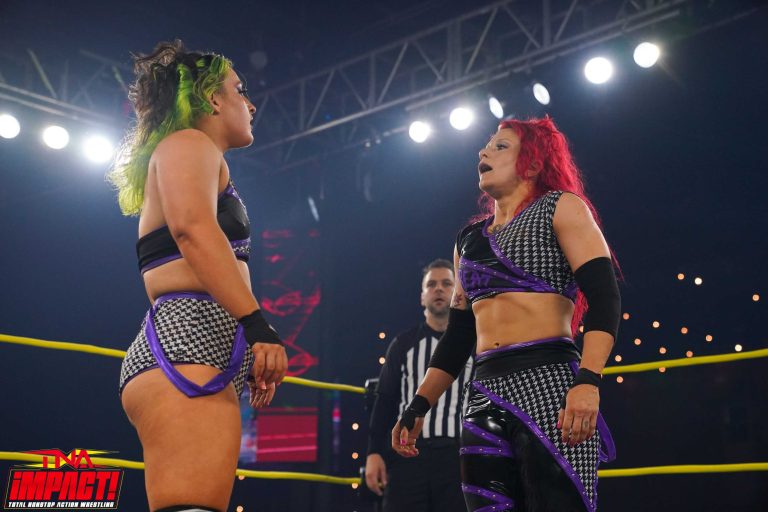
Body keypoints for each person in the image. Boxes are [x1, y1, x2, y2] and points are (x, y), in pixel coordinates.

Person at [391, 117, 620, 512]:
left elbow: (604, 298)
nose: (483, 151)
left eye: (500, 146)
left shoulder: (561, 207)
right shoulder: (468, 239)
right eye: (486, 145)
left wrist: (588, 381)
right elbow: (459, 335)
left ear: (533, 163)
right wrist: (419, 405)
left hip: (549, 383)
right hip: (484, 394)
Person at [110, 40, 288, 512]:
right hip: (185, 345)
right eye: (239, 90)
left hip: (200, 347)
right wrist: (257, 325)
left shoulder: (197, 153)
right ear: (212, 98)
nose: (250, 104)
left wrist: (245, 343)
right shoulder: (188, 143)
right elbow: (192, 230)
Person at [365, 259, 471, 512]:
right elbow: (385, 400)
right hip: (408, 456)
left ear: (458, 293)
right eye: (431, 284)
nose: (438, 289)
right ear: (422, 297)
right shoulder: (403, 345)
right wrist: (374, 452)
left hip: (458, 456)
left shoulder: (475, 345)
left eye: (446, 283)